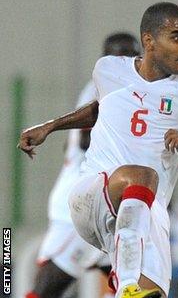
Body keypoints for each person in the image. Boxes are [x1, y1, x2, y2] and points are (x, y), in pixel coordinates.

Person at [19, 2, 178, 298]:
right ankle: (126, 286)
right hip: (95, 195)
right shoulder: (108, 69)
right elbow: (101, 108)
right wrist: (51, 126)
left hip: (148, 212)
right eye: (177, 37)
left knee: (154, 292)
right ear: (149, 41)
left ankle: (126, 286)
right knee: (141, 177)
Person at [25, 32, 141, 298]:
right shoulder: (102, 89)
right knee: (47, 289)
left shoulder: (129, 90)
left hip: (105, 204)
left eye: (132, 54)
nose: (126, 61)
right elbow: (86, 139)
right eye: (119, 55)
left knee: (130, 283)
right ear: (104, 59)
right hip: (80, 206)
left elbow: (71, 145)